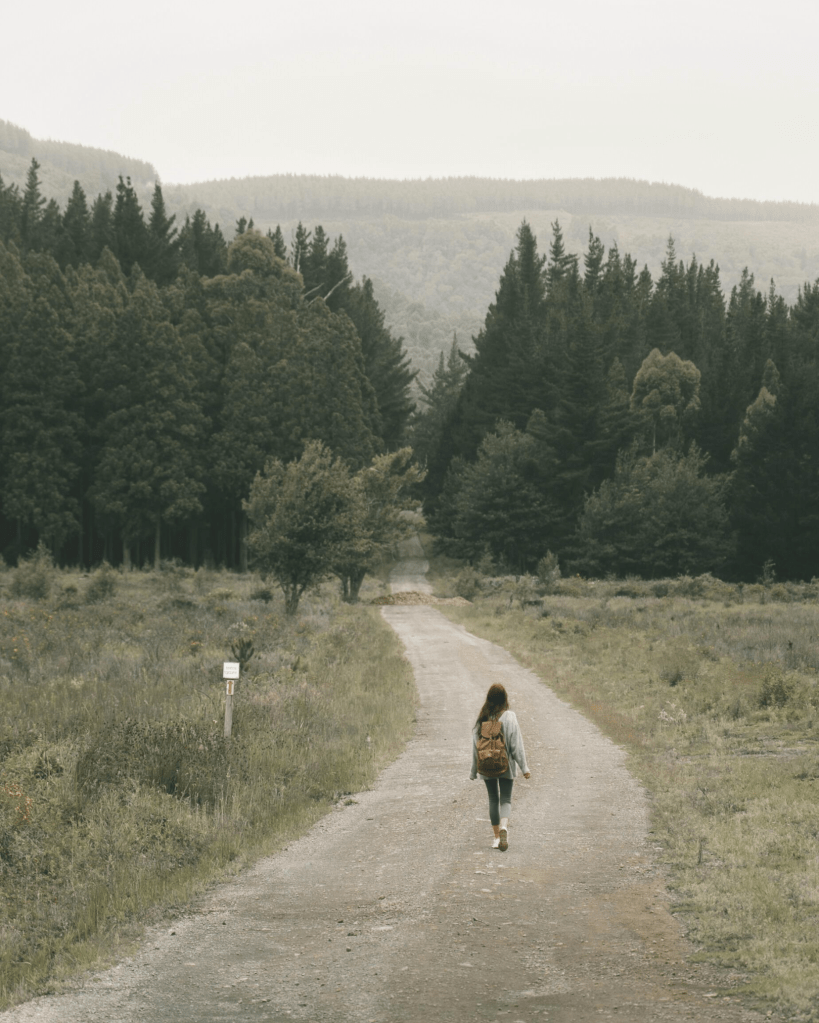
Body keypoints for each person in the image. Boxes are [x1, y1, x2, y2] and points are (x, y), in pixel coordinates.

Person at [470, 682, 530, 851]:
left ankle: (496, 837)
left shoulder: (482, 718)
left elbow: (475, 746)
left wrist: (473, 770)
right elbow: (516, 745)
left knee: (493, 799)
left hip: (486, 765)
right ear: (505, 699)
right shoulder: (509, 717)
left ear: (488, 699)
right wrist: (524, 768)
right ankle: (504, 826)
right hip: (505, 765)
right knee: (505, 799)